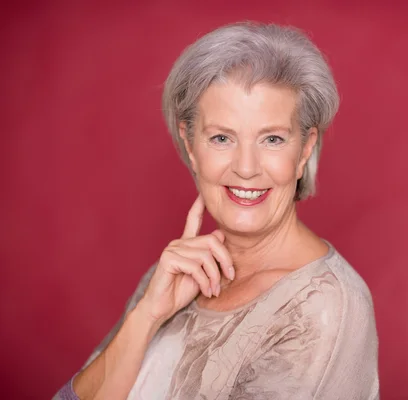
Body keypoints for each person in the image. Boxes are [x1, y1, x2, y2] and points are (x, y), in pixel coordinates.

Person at [54, 21, 379, 400]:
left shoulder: (324, 309)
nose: (245, 166)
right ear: (191, 144)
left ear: (304, 148)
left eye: (272, 139)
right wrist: (146, 316)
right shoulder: (172, 276)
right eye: (222, 138)